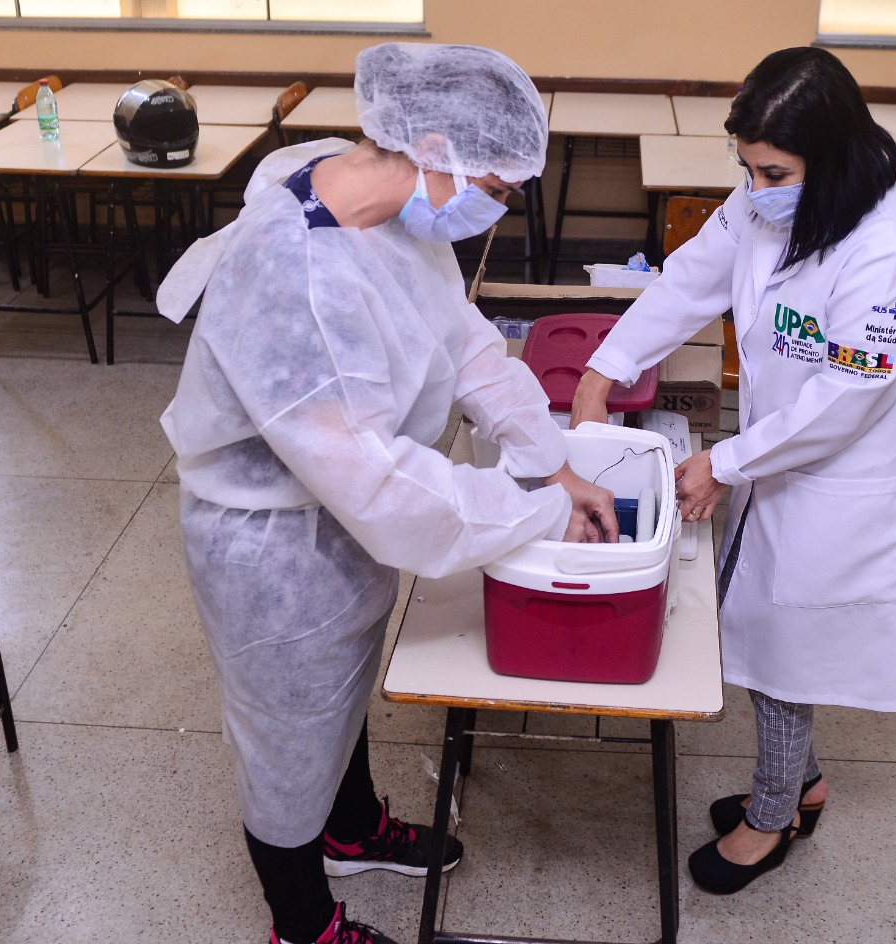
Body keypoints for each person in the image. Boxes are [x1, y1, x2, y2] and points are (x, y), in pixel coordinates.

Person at [156, 43, 618, 944]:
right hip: (269, 541)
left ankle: (353, 824)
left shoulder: (361, 188)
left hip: (334, 518)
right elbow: (385, 487)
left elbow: (463, 340)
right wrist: (537, 509)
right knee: (288, 732)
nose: (496, 204)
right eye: (493, 183)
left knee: (343, 685)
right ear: (433, 144)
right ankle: (304, 921)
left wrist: (549, 456)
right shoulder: (295, 277)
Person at [570, 46, 896, 895]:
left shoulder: (889, 246)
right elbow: (689, 281)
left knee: (784, 653)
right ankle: (802, 783)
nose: (756, 186)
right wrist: (607, 365)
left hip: (840, 477)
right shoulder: (775, 200)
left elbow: (847, 396)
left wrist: (726, 461)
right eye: (745, 167)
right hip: (780, 451)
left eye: (773, 170)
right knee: (762, 626)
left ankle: (772, 819)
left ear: (835, 154)